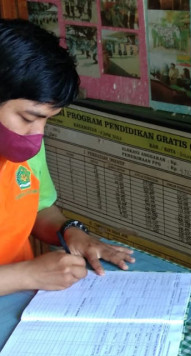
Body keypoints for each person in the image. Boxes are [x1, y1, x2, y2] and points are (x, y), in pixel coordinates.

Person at [0, 18, 134, 296]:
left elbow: (36, 208)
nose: (37, 134)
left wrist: (71, 232)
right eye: (28, 118)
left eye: (47, 120)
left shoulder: (22, 148)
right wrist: (27, 274)